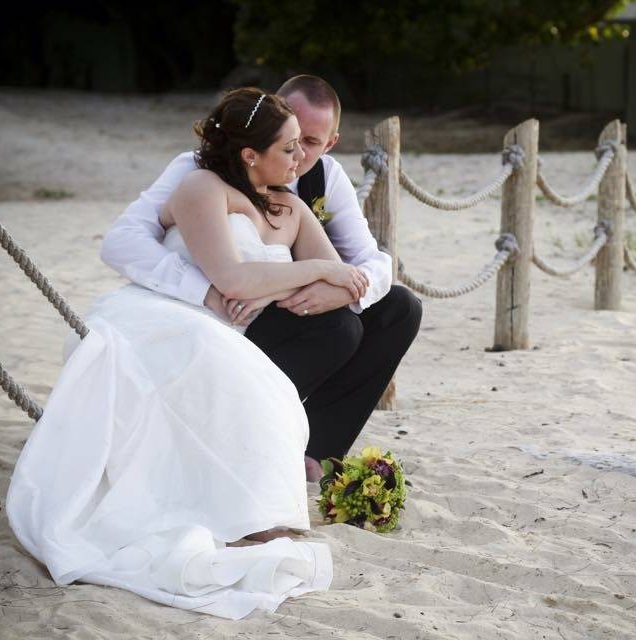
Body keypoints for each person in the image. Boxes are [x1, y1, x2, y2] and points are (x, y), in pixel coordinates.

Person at [7, 89, 352, 619]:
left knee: (267, 384)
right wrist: (311, 270)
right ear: (249, 155)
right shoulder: (201, 188)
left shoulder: (294, 207)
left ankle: (251, 510)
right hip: (162, 316)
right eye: (288, 148)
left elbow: (345, 276)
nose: (300, 160)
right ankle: (232, 511)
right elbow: (233, 278)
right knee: (245, 377)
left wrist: (314, 276)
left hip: (223, 331)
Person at [100, 76, 422, 477]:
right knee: (338, 330)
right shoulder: (197, 172)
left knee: (400, 309)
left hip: (278, 302)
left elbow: (371, 263)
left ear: (330, 143)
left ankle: (315, 452)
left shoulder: (316, 185)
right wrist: (205, 290)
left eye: (310, 143)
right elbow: (122, 241)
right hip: (214, 314)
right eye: (290, 139)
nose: (298, 153)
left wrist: (340, 291)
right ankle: (247, 437)